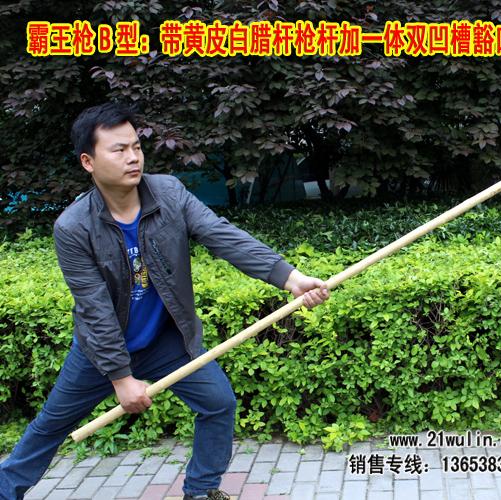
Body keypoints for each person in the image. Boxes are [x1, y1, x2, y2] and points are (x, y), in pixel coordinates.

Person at [0, 102, 330, 500]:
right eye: (118, 150)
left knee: (218, 403)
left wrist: (290, 278)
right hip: (101, 352)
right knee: (50, 427)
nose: (133, 157)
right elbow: (94, 307)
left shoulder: (169, 193)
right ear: (88, 161)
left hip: (166, 341)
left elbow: (221, 235)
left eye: (136, 147)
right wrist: (120, 377)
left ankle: (200, 491)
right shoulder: (73, 228)